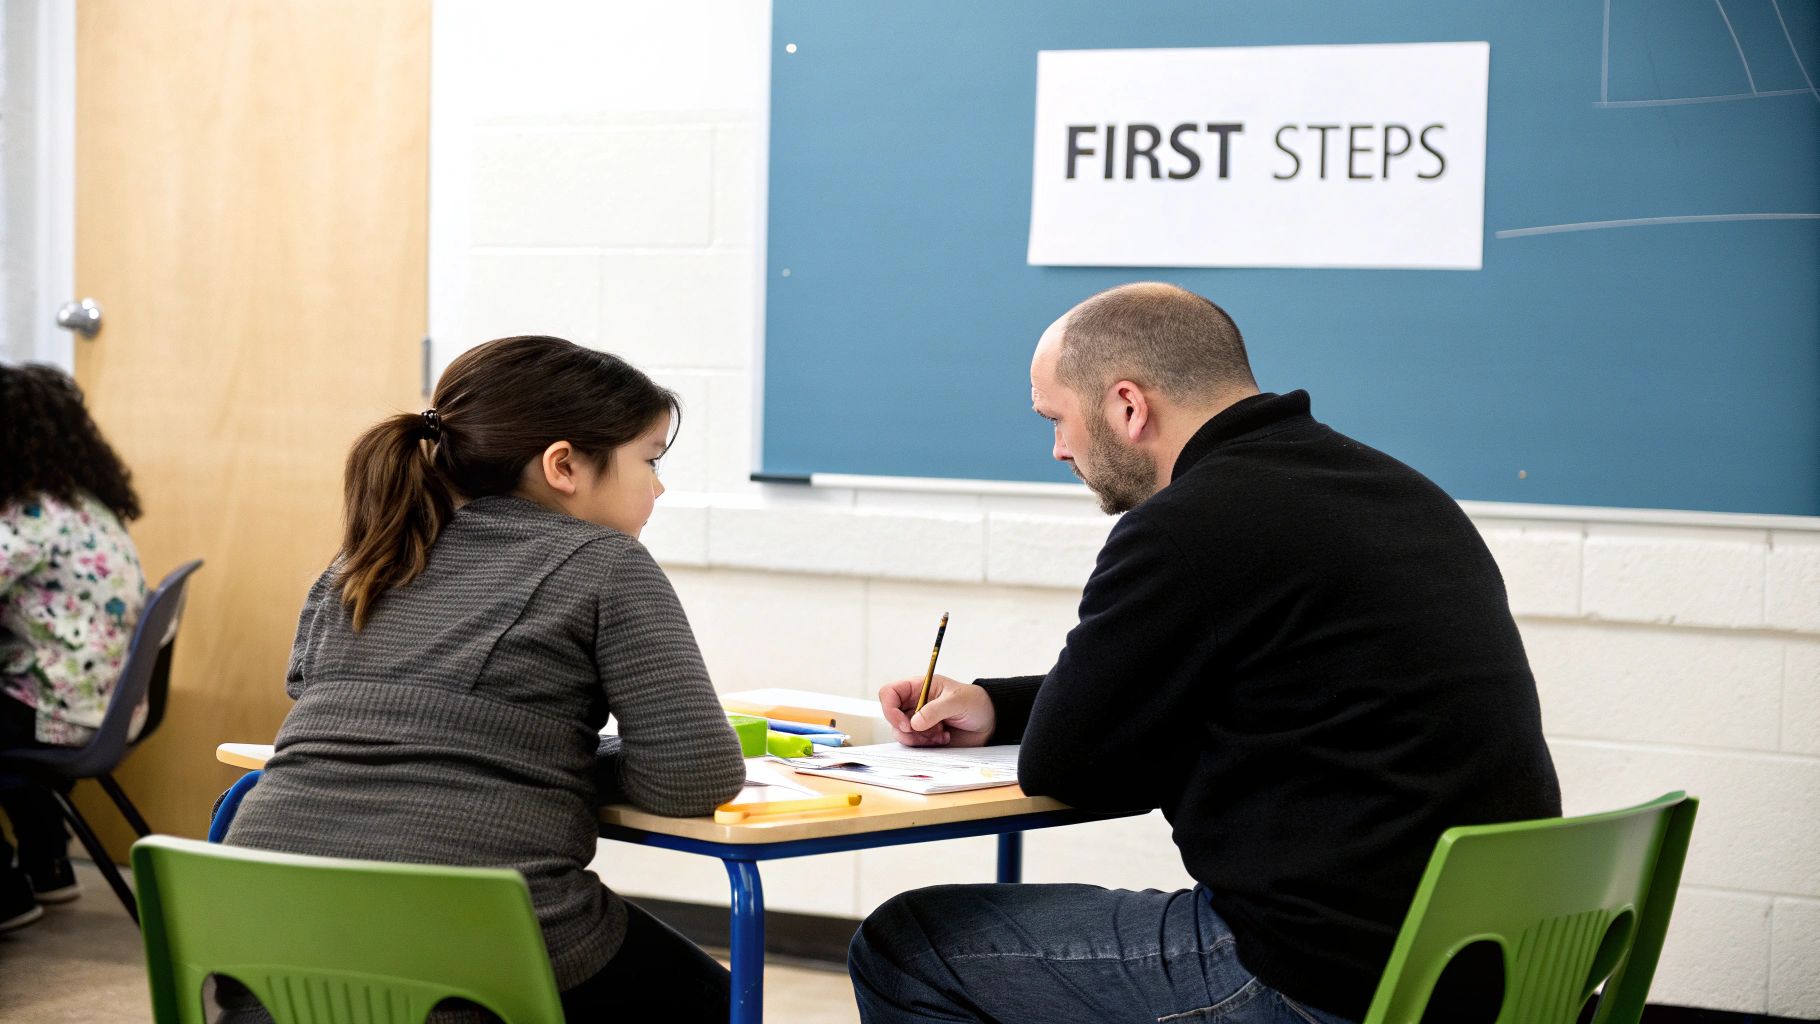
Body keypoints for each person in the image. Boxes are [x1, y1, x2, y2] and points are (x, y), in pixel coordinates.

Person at [850, 283, 1561, 1024]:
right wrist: (1001, 705)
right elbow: (1221, 682)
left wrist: (1068, 723)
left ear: (1128, 406)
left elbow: (1068, 763)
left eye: (1057, 419)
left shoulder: (1187, 527)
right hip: (1491, 969)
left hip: (1322, 983)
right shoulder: (1400, 492)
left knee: (906, 948)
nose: (1058, 448)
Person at [221, 336, 747, 1022]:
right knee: (720, 1004)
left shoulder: (363, 559)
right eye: (649, 461)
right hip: (462, 956)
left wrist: (517, 755)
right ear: (564, 465)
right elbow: (693, 777)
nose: (659, 486)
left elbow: (333, 710)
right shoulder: (606, 563)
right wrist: (553, 764)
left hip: (255, 945)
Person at [0, 363, 149, 930]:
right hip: (99, 704)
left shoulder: (30, 515)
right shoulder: (87, 503)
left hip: (62, 711)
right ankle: (49, 864)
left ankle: (6, 893)